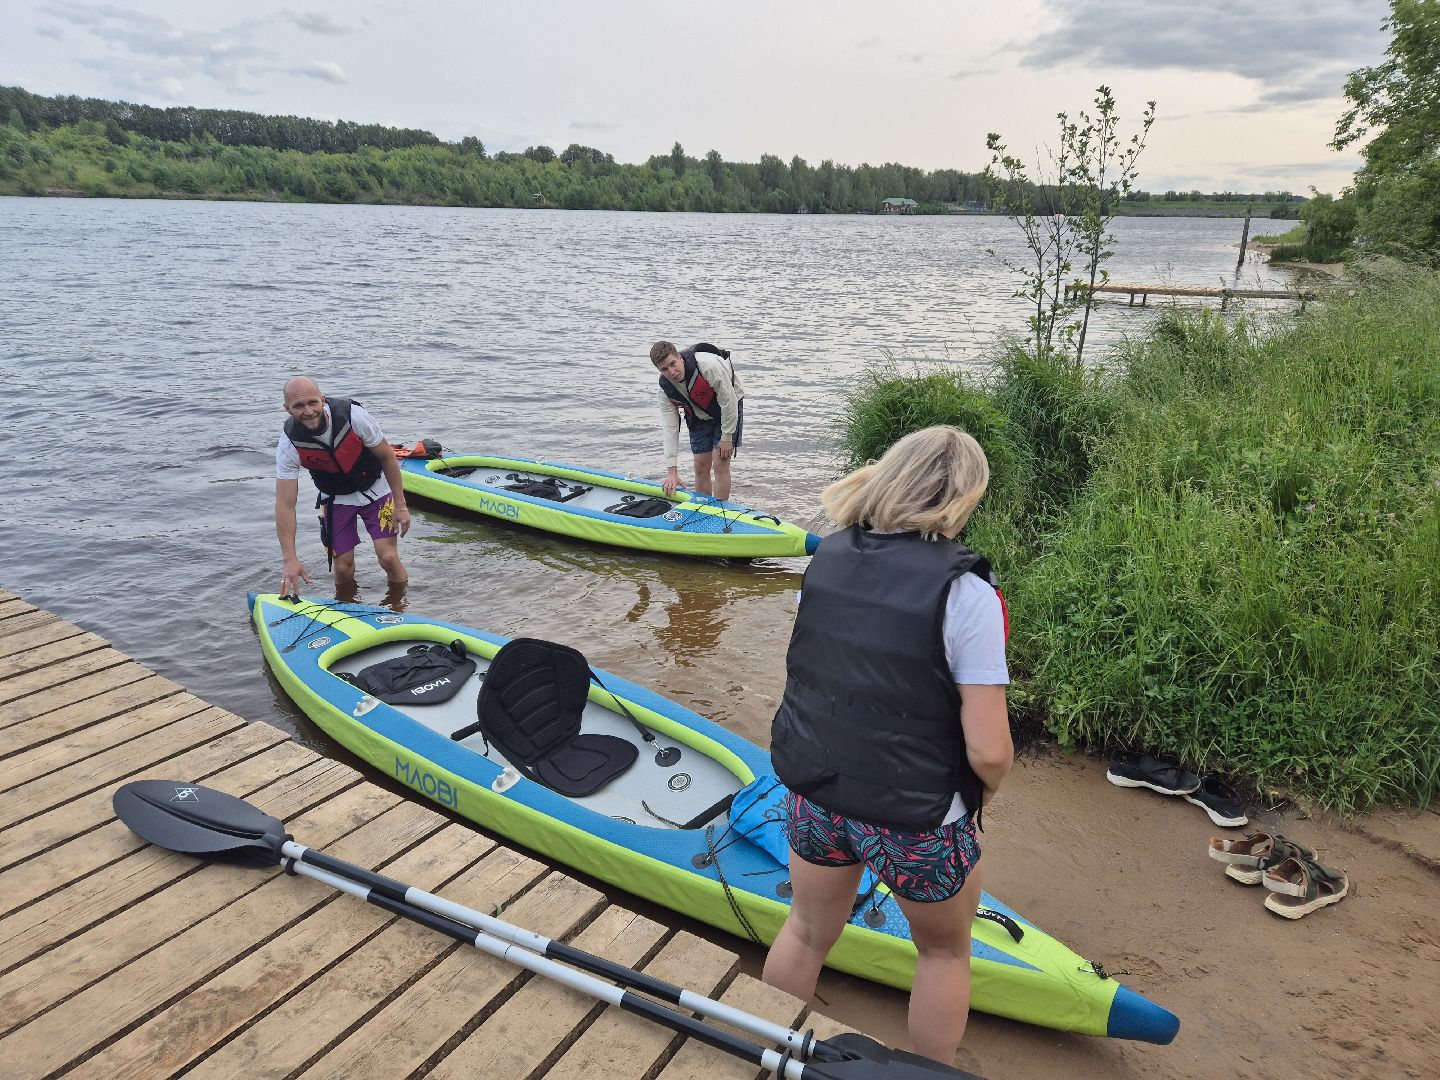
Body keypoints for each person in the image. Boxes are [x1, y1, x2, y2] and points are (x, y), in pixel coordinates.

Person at [760, 426, 1013, 1064]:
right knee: (944, 953)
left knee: (808, 930)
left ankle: (762, 1049)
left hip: (818, 791)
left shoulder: (831, 555)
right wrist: (976, 802)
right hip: (917, 817)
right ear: (963, 497)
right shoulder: (967, 593)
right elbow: (989, 751)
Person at [274, 376, 411, 597]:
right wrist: (290, 559)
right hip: (335, 499)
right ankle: (347, 611)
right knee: (342, 568)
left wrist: (401, 505)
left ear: (323, 399)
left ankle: (399, 606)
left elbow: (387, 457)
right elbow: (285, 504)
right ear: (287, 409)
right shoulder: (289, 443)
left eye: (312, 402)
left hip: (376, 490)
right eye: (298, 406)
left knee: (388, 557)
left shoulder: (354, 417)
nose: (308, 411)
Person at [650, 340, 744, 501]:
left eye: (673, 364)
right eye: (664, 369)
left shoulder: (708, 366)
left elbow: (729, 402)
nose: (671, 372)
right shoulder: (665, 391)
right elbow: (670, 428)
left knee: (720, 464)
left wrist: (727, 437)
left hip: (727, 408)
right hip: (698, 413)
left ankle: (721, 513)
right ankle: (703, 509)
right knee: (700, 466)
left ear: (679, 357)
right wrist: (672, 471)